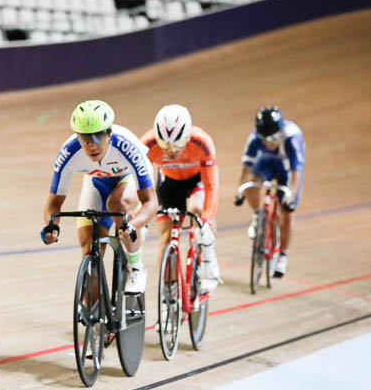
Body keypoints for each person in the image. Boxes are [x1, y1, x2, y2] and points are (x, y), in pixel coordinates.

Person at [42, 100, 158, 294]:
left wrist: (134, 225)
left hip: (126, 180)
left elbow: (151, 202)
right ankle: (94, 313)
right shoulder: (69, 152)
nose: (91, 145)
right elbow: (54, 203)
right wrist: (51, 225)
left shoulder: (127, 146)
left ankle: (136, 266)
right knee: (88, 249)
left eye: (97, 137)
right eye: (85, 138)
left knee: (117, 203)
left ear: (109, 133)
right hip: (95, 183)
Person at [140, 104, 221, 294]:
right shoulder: (147, 144)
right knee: (166, 237)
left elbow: (211, 186)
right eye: (165, 145)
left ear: (187, 137)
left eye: (177, 144)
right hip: (169, 184)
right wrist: (141, 218)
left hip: (197, 182)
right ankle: (168, 294)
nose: (170, 150)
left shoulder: (201, 142)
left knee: (198, 212)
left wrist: (207, 221)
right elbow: (140, 184)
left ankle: (209, 261)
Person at [235, 105, 304, 277]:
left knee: (286, 213)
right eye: (263, 138)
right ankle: (258, 215)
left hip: (286, 169)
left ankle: (283, 256)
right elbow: (245, 171)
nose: (267, 142)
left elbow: (296, 175)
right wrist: (240, 191)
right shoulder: (253, 139)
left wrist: (290, 198)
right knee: (252, 184)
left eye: (272, 138)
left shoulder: (291, 138)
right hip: (266, 164)